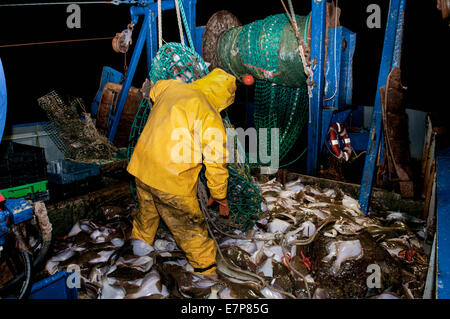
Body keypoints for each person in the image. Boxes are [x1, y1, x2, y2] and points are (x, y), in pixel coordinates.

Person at [127, 68, 237, 275]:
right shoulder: (210, 115)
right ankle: (206, 275)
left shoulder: (172, 87)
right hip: (172, 183)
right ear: (224, 98)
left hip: (141, 170)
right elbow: (216, 162)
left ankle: (136, 256)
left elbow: (154, 89)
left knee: (146, 217)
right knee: (191, 230)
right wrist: (219, 195)